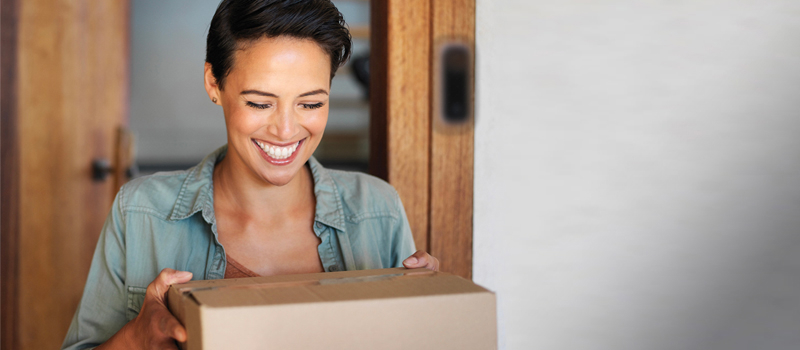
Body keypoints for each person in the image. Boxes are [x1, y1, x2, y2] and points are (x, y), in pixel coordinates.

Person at [61, 1, 439, 349]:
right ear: (214, 83)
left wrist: (433, 311)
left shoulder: (379, 209)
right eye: (260, 102)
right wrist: (135, 339)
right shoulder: (141, 211)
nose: (286, 130)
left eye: (311, 103)